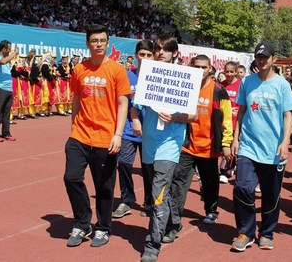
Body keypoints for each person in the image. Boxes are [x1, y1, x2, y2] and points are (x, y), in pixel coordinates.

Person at [63, 24, 131, 248]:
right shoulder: (79, 69)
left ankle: (103, 227)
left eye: (102, 40)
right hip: (80, 134)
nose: (99, 44)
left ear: (108, 43)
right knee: (71, 178)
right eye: (94, 40)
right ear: (87, 44)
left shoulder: (117, 70)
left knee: (104, 187)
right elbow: (76, 98)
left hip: (106, 137)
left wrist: (118, 134)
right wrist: (73, 126)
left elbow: (123, 103)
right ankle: (83, 223)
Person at [132, 35, 197, 262]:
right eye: (158, 48)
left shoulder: (184, 78)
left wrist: (175, 116)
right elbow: (135, 108)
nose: (160, 53)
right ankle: (174, 221)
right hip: (149, 145)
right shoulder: (146, 76)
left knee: (157, 195)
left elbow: (193, 115)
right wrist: (136, 120)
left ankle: (152, 245)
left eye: (165, 50)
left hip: (169, 148)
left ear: (174, 54)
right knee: (160, 191)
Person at [231, 41, 292, 252]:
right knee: (242, 187)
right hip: (248, 146)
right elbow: (241, 111)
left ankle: (267, 233)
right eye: (258, 57)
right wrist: (235, 137)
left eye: (265, 57)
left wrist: (285, 142)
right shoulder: (247, 82)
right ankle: (245, 231)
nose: (261, 61)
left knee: (271, 195)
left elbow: (288, 115)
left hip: (273, 150)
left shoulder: (282, 85)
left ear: (273, 59)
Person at [170, 54, 232, 226]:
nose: (200, 70)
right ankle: (175, 215)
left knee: (210, 182)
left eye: (203, 67)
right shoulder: (185, 87)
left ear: (210, 69)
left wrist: (226, 143)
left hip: (209, 147)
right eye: (196, 67)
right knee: (179, 181)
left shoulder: (219, 91)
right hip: (187, 145)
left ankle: (211, 210)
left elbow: (226, 119)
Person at [112, 40, 154, 219]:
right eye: (142, 54)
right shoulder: (127, 76)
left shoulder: (158, 77)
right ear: (136, 55)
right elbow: (120, 102)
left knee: (148, 169)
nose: (144, 58)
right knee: (124, 164)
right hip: (129, 130)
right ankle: (126, 200)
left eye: (148, 55)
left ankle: (149, 202)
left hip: (150, 131)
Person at [0, 40, 17, 142]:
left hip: (8, 89)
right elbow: (2, 62)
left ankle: (6, 133)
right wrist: (14, 54)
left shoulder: (6, 59)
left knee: (6, 112)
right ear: (4, 49)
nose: (10, 51)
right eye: (9, 49)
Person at [219, 61, 241, 184]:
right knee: (223, 147)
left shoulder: (240, 85)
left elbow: (243, 104)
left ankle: (226, 170)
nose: (229, 74)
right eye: (227, 71)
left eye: (231, 72)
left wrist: (238, 111)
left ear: (236, 72)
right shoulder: (220, 86)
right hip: (222, 122)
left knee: (232, 146)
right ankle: (228, 167)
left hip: (235, 123)